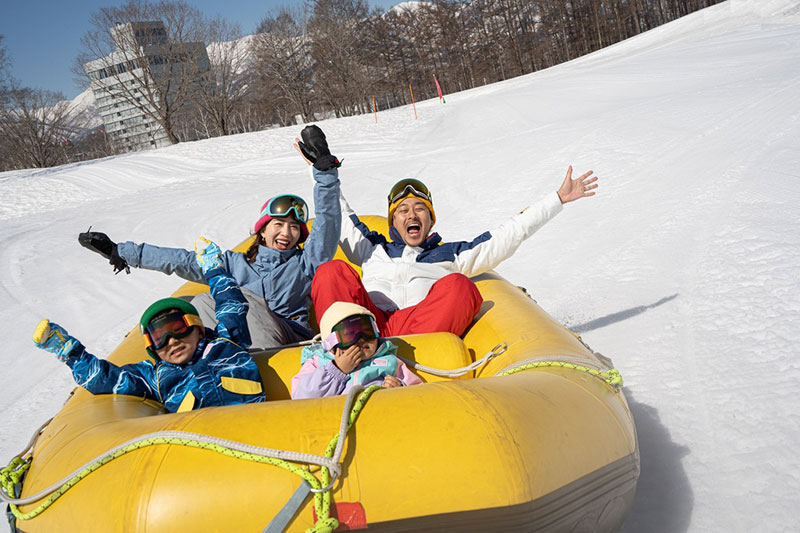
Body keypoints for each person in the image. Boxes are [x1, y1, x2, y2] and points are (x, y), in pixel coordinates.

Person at [77, 128, 342, 349]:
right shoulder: (234, 263)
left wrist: (325, 176)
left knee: (241, 298)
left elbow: (327, 224)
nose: (286, 233)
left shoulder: (304, 263)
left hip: (287, 342)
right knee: (198, 302)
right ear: (262, 230)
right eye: (279, 224)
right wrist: (121, 251)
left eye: (294, 228)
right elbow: (183, 261)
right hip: (240, 342)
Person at [305, 140, 598, 337]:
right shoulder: (371, 247)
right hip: (366, 326)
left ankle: (417, 364)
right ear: (393, 221)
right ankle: (343, 350)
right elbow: (339, 215)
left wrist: (556, 199)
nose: (412, 215)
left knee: (460, 286)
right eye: (403, 210)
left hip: (419, 329)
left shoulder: (452, 255)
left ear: (431, 219)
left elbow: (508, 233)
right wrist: (319, 169)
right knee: (332, 272)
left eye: (420, 209)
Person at [32, 239, 265, 413]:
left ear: (197, 327)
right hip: (204, 451)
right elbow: (107, 379)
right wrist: (71, 353)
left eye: (177, 327)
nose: (171, 340)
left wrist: (215, 270)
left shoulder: (227, 342)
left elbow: (230, 303)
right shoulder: (155, 376)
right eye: (158, 337)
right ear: (151, 347)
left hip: (254, 426)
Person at [291, 302, 422, 399]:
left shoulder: (389, 361)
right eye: (350, 335)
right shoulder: (317, 363)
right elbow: (300, 397)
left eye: (367, 331)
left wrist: (400, 389)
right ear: (332, 342)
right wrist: (337, 370)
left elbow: (418, 392)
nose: (361, 339)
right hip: (334, 425)